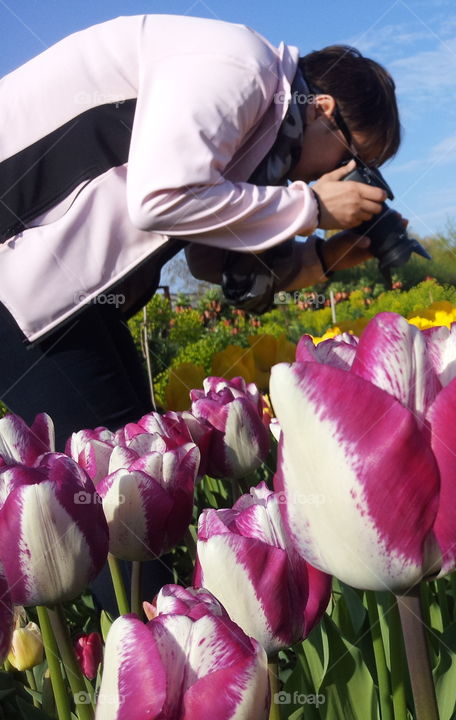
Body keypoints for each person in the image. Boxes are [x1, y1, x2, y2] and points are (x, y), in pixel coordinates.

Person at [0, 14, 401, 449]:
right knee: (121, 472)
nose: (346, 175)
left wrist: (322, 258)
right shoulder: (244, 65)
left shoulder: (267, 134)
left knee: (142, 456)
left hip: (55, 287)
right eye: (355, 159)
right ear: (323, 109)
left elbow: (211, 260)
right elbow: (159, 199)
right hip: (19, 267)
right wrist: (314, 206)